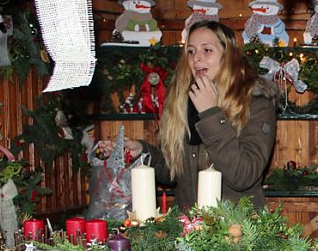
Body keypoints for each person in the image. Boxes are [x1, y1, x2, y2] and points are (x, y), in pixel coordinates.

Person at [100, 20, 279, 209]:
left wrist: (210, 113)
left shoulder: (256, 102)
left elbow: (244, 175)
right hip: (189, 229)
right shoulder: (182, 100)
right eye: (191, 51)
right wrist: (143, 153)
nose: (196, 58)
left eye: (207, 50)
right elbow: (173, 171)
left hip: (238, 230)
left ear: (229, 56)